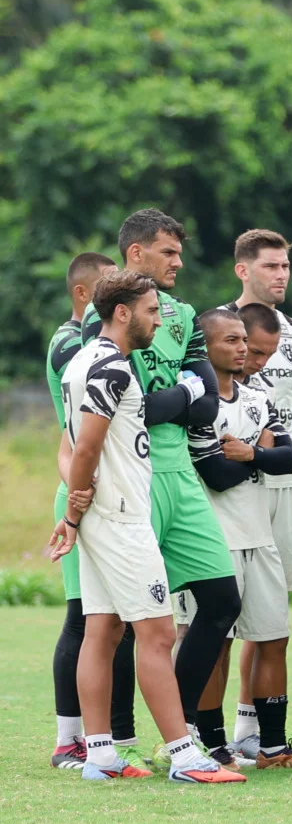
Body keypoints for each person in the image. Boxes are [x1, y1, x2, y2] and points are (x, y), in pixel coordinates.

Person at [49, 269, 244, 786]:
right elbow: (85, 448)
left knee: (102, 631)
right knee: (156, 633)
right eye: (153, 312)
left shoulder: (84, 363)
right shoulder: (112, 368)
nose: (161, 321)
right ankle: (185, 755)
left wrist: (75, 512)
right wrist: (76, 508)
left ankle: (101, 756)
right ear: (122, 313)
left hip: (102, 517)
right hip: (122, 517)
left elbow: (65, 446)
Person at [80, 210, 241, 727]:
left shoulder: (184, 313)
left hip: (180, 473)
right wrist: (183, 393)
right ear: (136, 253)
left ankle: (184, 725)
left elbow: (207, 402)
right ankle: (113, 740)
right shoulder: (107, 315)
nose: (179, 261)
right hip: (130, 477)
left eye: (179, 251)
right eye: (169, 252)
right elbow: (135, 408)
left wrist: (179, 395)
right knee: (114, 623)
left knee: (221, 600)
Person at [186, 309, 292, 770]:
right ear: (205, 347)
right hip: (213, 536)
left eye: (244, 339)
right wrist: (259, 455)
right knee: (218, 641)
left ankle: (273, 748)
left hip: (259, 533)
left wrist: (249, 452)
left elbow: (288, 459)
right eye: (231, 340)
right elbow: (217, 475)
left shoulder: (258, 398)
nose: (243, 347)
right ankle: (211, 744)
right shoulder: (199, 403)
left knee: (273, 638)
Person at [45, 251, 141, 771]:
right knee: (84, 620)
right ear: (86, 295)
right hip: (84, 489)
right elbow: (77, 439)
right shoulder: (71, 344)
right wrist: (77, 493)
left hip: (100, 486)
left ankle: (106, 739)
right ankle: (70, 739)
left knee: (107, 622)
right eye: (107, 290)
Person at [225, 229, 292, 757]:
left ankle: (252, 731)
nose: (280, 275)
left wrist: (276, 447)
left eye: (285, 266)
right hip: (234, 487)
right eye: (270, 267)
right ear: (244, 270)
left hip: (280, 479)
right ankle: (211, 734)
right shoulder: (213, 325)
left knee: (270, 614)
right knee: (221, 614)